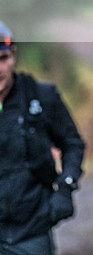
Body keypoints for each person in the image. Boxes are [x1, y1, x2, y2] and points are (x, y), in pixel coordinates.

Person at [0, 21, 85, 255]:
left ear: (14, 56)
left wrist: (66, 187)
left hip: (31, 232)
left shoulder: (41, 97)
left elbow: (72, 144)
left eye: (3, 59)